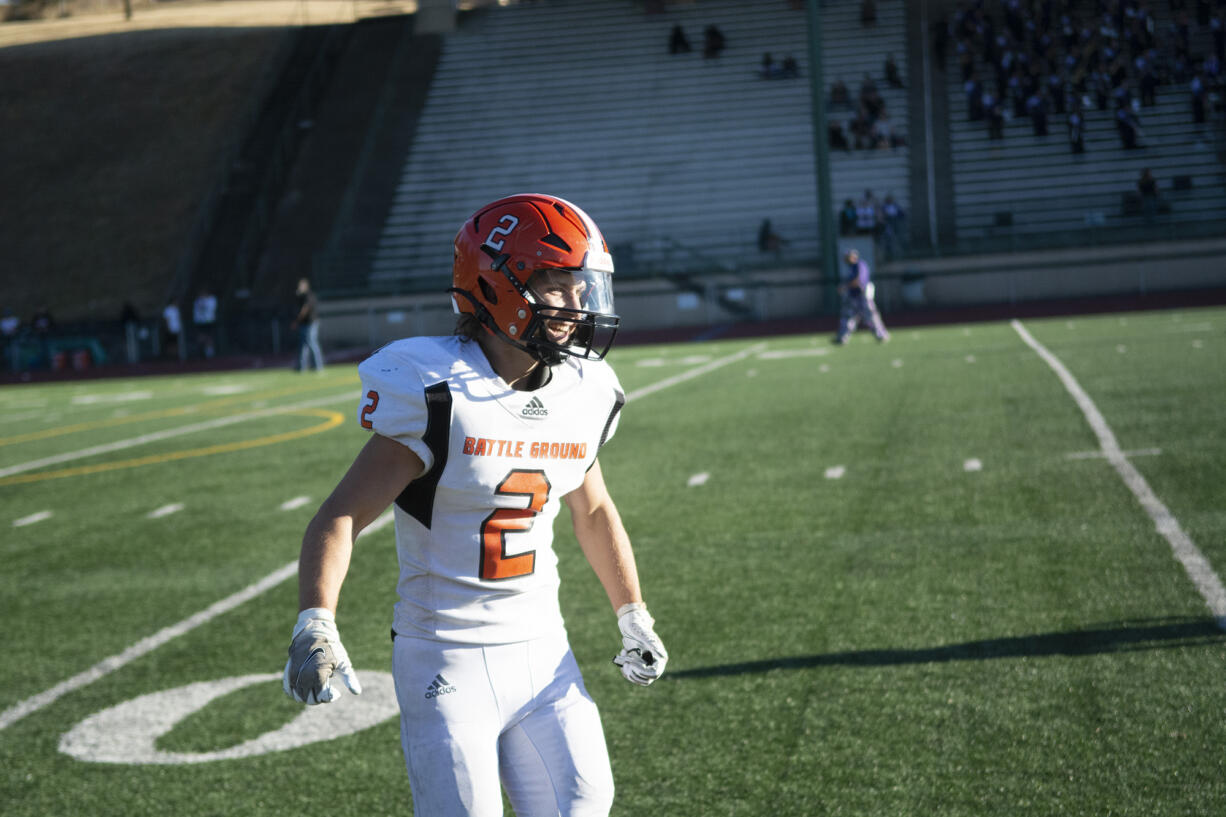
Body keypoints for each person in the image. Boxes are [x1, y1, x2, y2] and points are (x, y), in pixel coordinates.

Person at [282, 194, 668, 817]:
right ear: (499, 287)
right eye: (561, 288)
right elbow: (342, 516)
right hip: (447, 658)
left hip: (546, 651)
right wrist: (315, 621)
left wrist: (632, 613)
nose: (579, 307)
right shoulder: (438, 393)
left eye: (583, 289)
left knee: (586, 803)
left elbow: (592, 510)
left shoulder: (582, 392)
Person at [834, 248, 889, 344]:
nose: (846, 259)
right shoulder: (851, 267)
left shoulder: (859, 265)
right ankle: (842, 337)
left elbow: (858, 281)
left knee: (871, 316)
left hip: (862, 296)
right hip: (853, 297)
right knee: (848, 317)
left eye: (848, 257)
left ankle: (881, 334)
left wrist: (845, 287)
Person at [291, 277, 324, 372]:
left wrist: (297, 320)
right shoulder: (300, 296)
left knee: (312, 343)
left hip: (311, 323)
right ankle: (302, 366)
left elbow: (305, 309)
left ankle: (318, 366)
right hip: (304, 323)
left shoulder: (309, 295)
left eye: (301, 286)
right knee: (303, 345)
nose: (299, 287)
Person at [192, 288, 218, 359]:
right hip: (200, 322)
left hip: (209, 321)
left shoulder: (211, 299)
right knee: (201, 337)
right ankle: (201, 352)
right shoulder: (198, 301)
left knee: (209, 337)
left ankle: (209, 353)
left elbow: (210, 309)